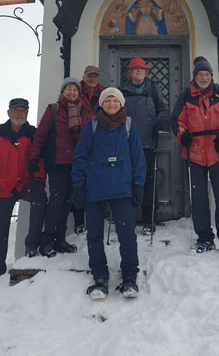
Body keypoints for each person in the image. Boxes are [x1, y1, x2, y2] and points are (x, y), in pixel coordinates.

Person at [72, 88, 146, 300]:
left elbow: (138, 157)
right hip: (95, 187)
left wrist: (138, 184)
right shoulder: (92, 126)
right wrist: (78, 185)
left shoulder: (129, 125)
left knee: (127, 235)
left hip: (122, 187)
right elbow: (80, 157)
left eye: (115, 100)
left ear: (121, 104)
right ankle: (99, 276)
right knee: (94, 235)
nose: (111, 104)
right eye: (107, 100)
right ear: (102, 103)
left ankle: (129, 276)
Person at [171, 57, 219, 254]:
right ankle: (204, 238)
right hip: (195, 153)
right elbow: (176, 121)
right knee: (199, 199)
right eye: (200, 74)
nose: (204, 77)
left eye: (207, 74)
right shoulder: (185, 95)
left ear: (211, 76)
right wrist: (182, 135)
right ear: (195, 76)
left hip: (218, 152)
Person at [0, 98, 47, 277]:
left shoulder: (32, 133)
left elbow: (40, 158)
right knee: (0, 230)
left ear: (27, 113)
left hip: (25, 183)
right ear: (9, 113)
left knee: (40, 199)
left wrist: (39, 179)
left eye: (23, 110)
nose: (20, 113)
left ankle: (32, 246)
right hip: (2, 187)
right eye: (16, 110)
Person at [29, 77, 88, 256]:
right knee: (56, 201)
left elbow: (87, 137)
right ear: (62, 92)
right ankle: (47, 241)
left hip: (75, 163)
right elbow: (40, 135)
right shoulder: (53, 110)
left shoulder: (83, 111)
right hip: (57, 162)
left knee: (67, 202)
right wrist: (33, 157)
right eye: (68, 89)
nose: (72, 92)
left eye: (75, 90)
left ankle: (60, 239)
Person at [119, 57, 168, 235]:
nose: (140, 71)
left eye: (143, 69)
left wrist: (160, 120)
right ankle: (126, 219)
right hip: (126, 144)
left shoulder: (153, 89)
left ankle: (149, 220)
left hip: (148, 143)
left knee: (149, 184)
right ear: (129, 72)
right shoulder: (121, 91)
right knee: (125, 182)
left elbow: (163, 109)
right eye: (136, 68)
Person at [72, 65, 107, 234]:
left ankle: (97, 218)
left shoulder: (105, 93)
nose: (92, 79)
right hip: (78, 139)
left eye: (95, 76)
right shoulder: (75, 91)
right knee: (78, 180)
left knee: (97, 179)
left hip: (99, 142)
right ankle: (79, 220)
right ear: (84, 76)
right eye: (89, 76)